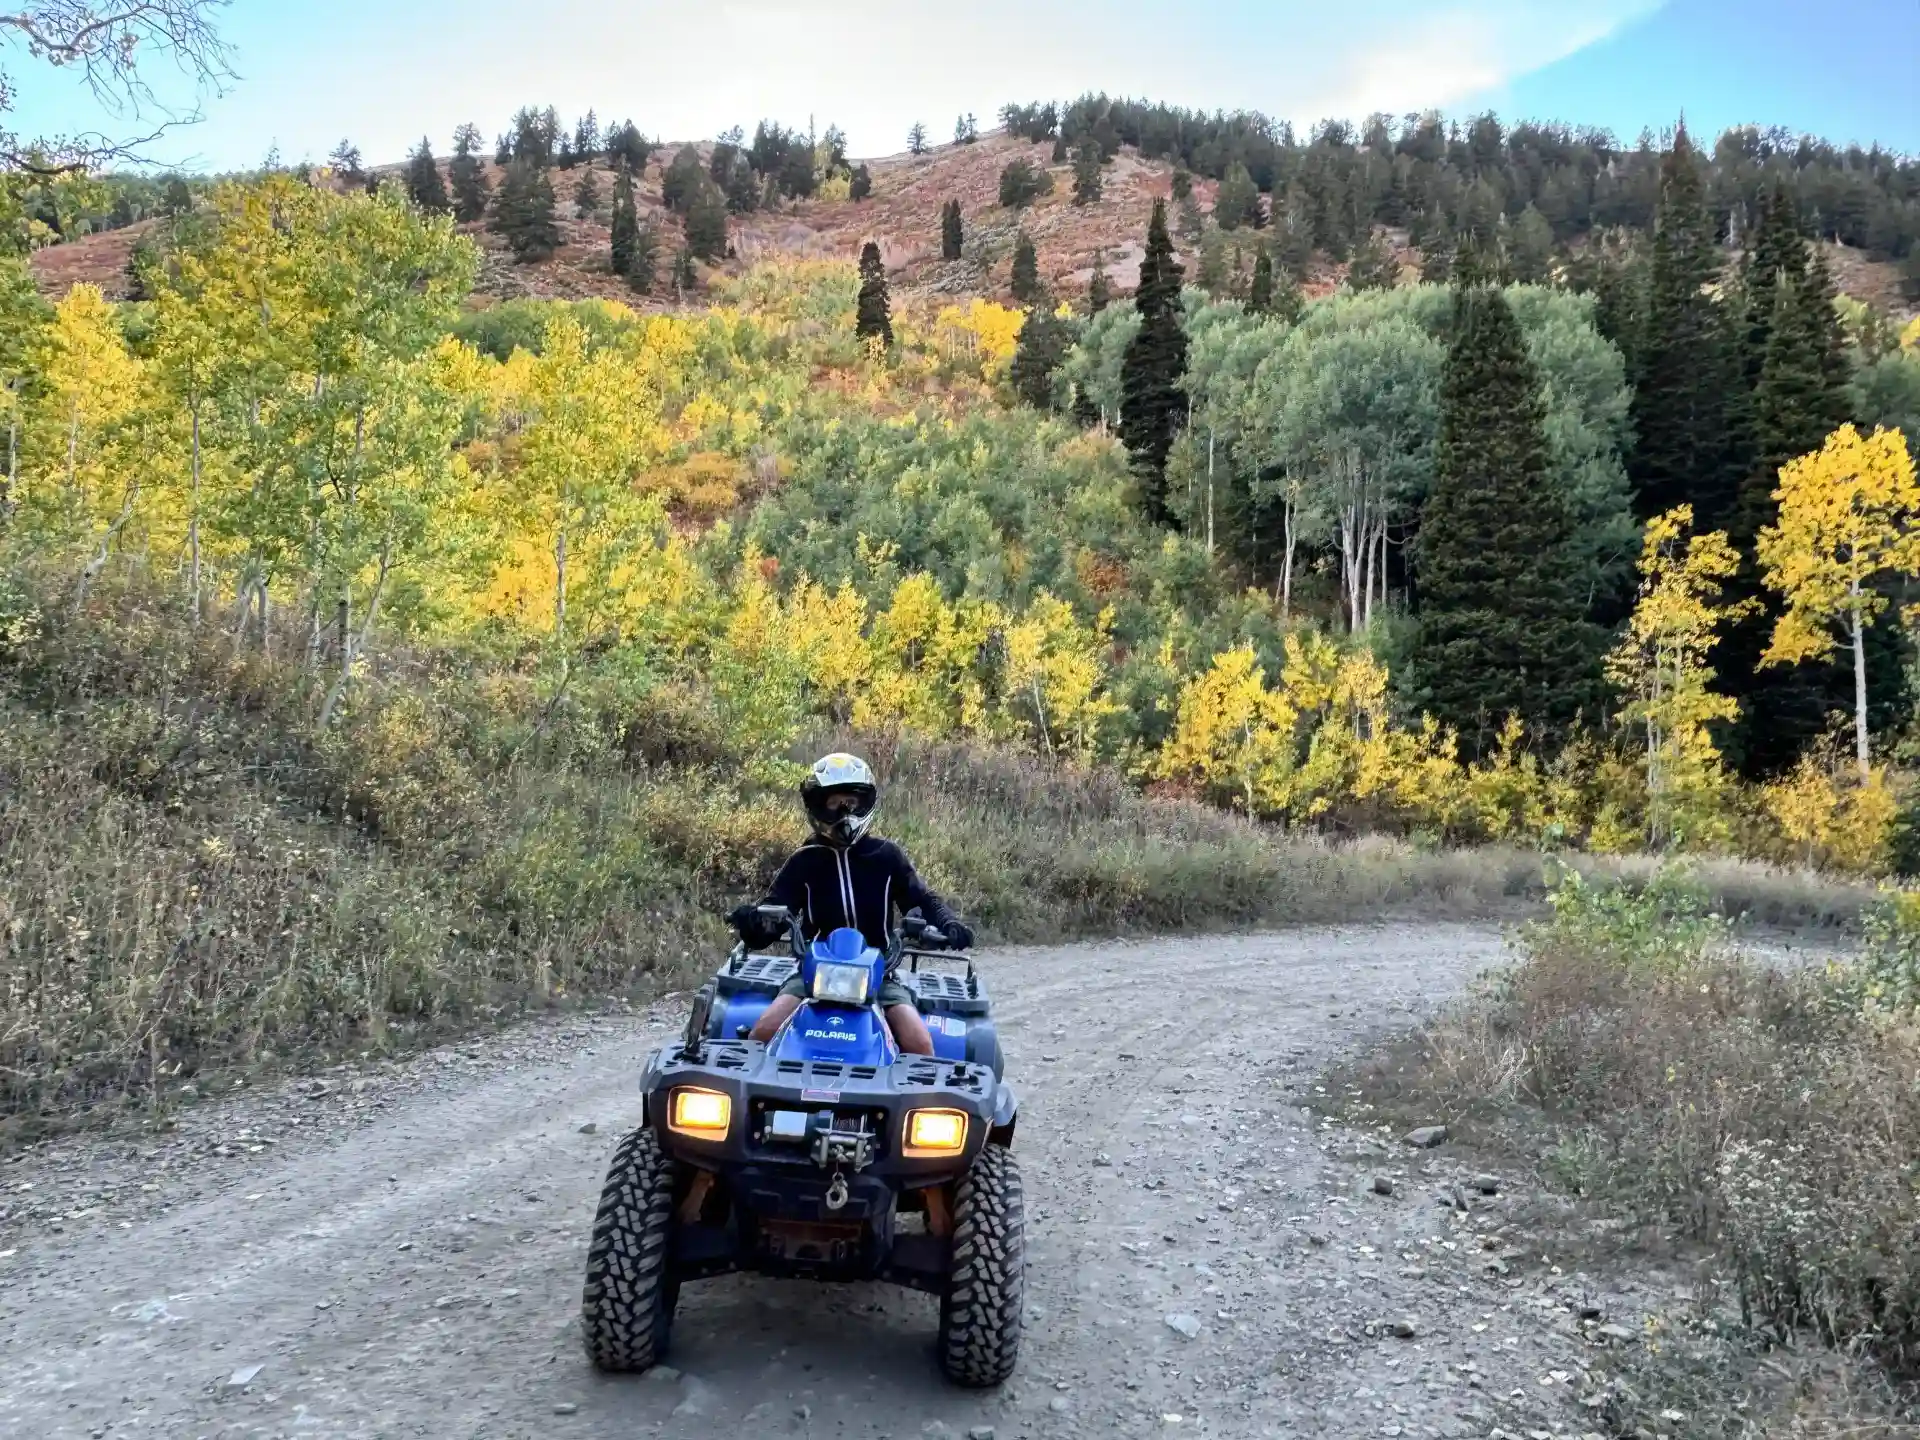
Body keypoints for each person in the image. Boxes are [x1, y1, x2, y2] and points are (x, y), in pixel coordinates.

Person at [729, 753, 974, 1056]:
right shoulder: (804, 860)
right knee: (762, 1033)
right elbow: (774, 913)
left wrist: (948, 923)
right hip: (812, 975)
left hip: (879, 975)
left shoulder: (886, 856)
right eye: (834, 803)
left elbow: (922, 898)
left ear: (865, 803)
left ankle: (915, 1104)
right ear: (818, 806)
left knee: (921, 1044)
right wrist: (753, 922)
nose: (845, 812)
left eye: (852, 803)